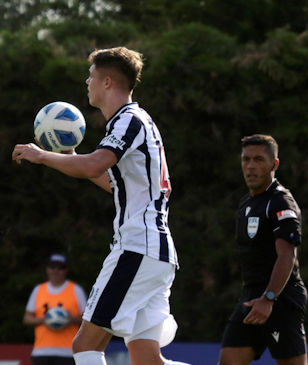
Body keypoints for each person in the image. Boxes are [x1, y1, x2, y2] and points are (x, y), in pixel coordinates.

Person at [12, 47, 183, 365]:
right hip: (156, 253)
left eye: (90, 76)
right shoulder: (136, 121)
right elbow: (111, 182)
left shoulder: (128, 120)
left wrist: (41, 155)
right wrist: (73, 159)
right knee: (146, 359)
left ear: (106, 82)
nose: (86, 82)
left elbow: (95, 166)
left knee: (85, 345)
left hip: (137, 247)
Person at [218, 134, 308, 365]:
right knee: (228, 360)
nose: (250, 166)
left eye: (258, 159)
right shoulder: (246, 203)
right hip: (250, 297)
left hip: (280, 298)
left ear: (274, 164)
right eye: (246, 160)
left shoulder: (280, 202)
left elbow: (287, 254)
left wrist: (269, 299)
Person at [24, 253, 87, 365]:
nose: (56, 271)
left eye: (61, 267)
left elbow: (87, 320)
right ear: (47, 269)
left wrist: (71, 319)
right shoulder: (38, 290)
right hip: (41, 352)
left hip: (68, 352)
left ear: (66, 270)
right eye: (52, 267)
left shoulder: (76, 290)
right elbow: (27, 318)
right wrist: (45, 319)